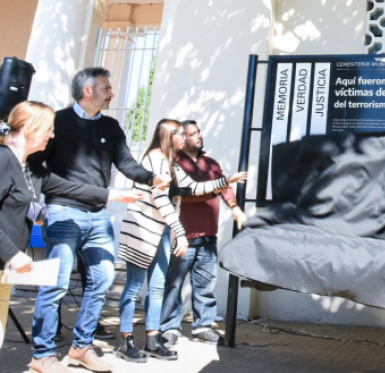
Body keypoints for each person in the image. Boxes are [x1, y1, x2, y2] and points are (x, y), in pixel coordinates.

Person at [29, 68, 170, 373]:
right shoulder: (58, 122)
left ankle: (81, 347)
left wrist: (151, 177)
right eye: (106, 87)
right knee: (55, 284)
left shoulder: (111, 126)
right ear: (88, 91)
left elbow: (127, 162)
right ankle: (42, 355)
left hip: (97, 217)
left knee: (103, 279)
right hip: (63, 214)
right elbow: (37, 169)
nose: (112, 93)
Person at [0, 102, 143, 355]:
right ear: (30, 128)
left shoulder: (31, 168)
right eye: (48, 129)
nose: (52, 135)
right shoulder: (2, 160)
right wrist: (11, 252)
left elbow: (69, 188)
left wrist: (114, 195)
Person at [117, 119, 243, 363]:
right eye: (181, 134)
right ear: (168, 135)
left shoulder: (173, 161)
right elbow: (164, 198)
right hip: (144, 229)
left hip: (164, 231)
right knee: (136, 287)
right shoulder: (155, 158)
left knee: (157, 286)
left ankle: (152, 340)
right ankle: (127, 340)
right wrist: (180, 230)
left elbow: (192, 187)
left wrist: (226, 182)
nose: (186, 138)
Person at [158, 121, 248, 348]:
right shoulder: (175, 162)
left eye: (198, 132)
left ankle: (203, 327)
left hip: (208, 236)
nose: (198, 136)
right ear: (182, 138)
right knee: (174, 285)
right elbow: (184, 193)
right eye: (192, 134)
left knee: (205, 285)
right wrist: (212, 190)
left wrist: (235, 207)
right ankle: (169, 328)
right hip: (182, 237)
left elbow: (225, 187)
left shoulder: (211, 163)